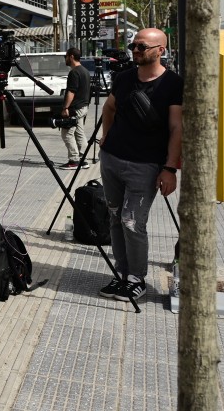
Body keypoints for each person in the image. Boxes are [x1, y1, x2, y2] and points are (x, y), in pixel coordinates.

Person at [97, 28, 182, 302]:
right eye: (134, 45)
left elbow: (176, 128)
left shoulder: (173, 83)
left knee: (132, 221)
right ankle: (121, 274)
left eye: (142, 46)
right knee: (114, 217)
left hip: (145, 165)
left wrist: (169, 168)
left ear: (160, 50)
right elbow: (108, 108)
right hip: (112, 160)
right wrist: (106, 138)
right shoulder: (123, 79)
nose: (135, 50)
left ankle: (137, 278)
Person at [58, 48, 92, 170]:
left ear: (71, 57)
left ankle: (74, 160)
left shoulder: (74, 72)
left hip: (75, 108)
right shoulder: (85, 71)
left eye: (66, 56)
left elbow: (71, 92)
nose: (65, 59)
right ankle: (84, 160)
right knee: (79, 133)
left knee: (66, 134)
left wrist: (65, 108)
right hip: (83, 107)